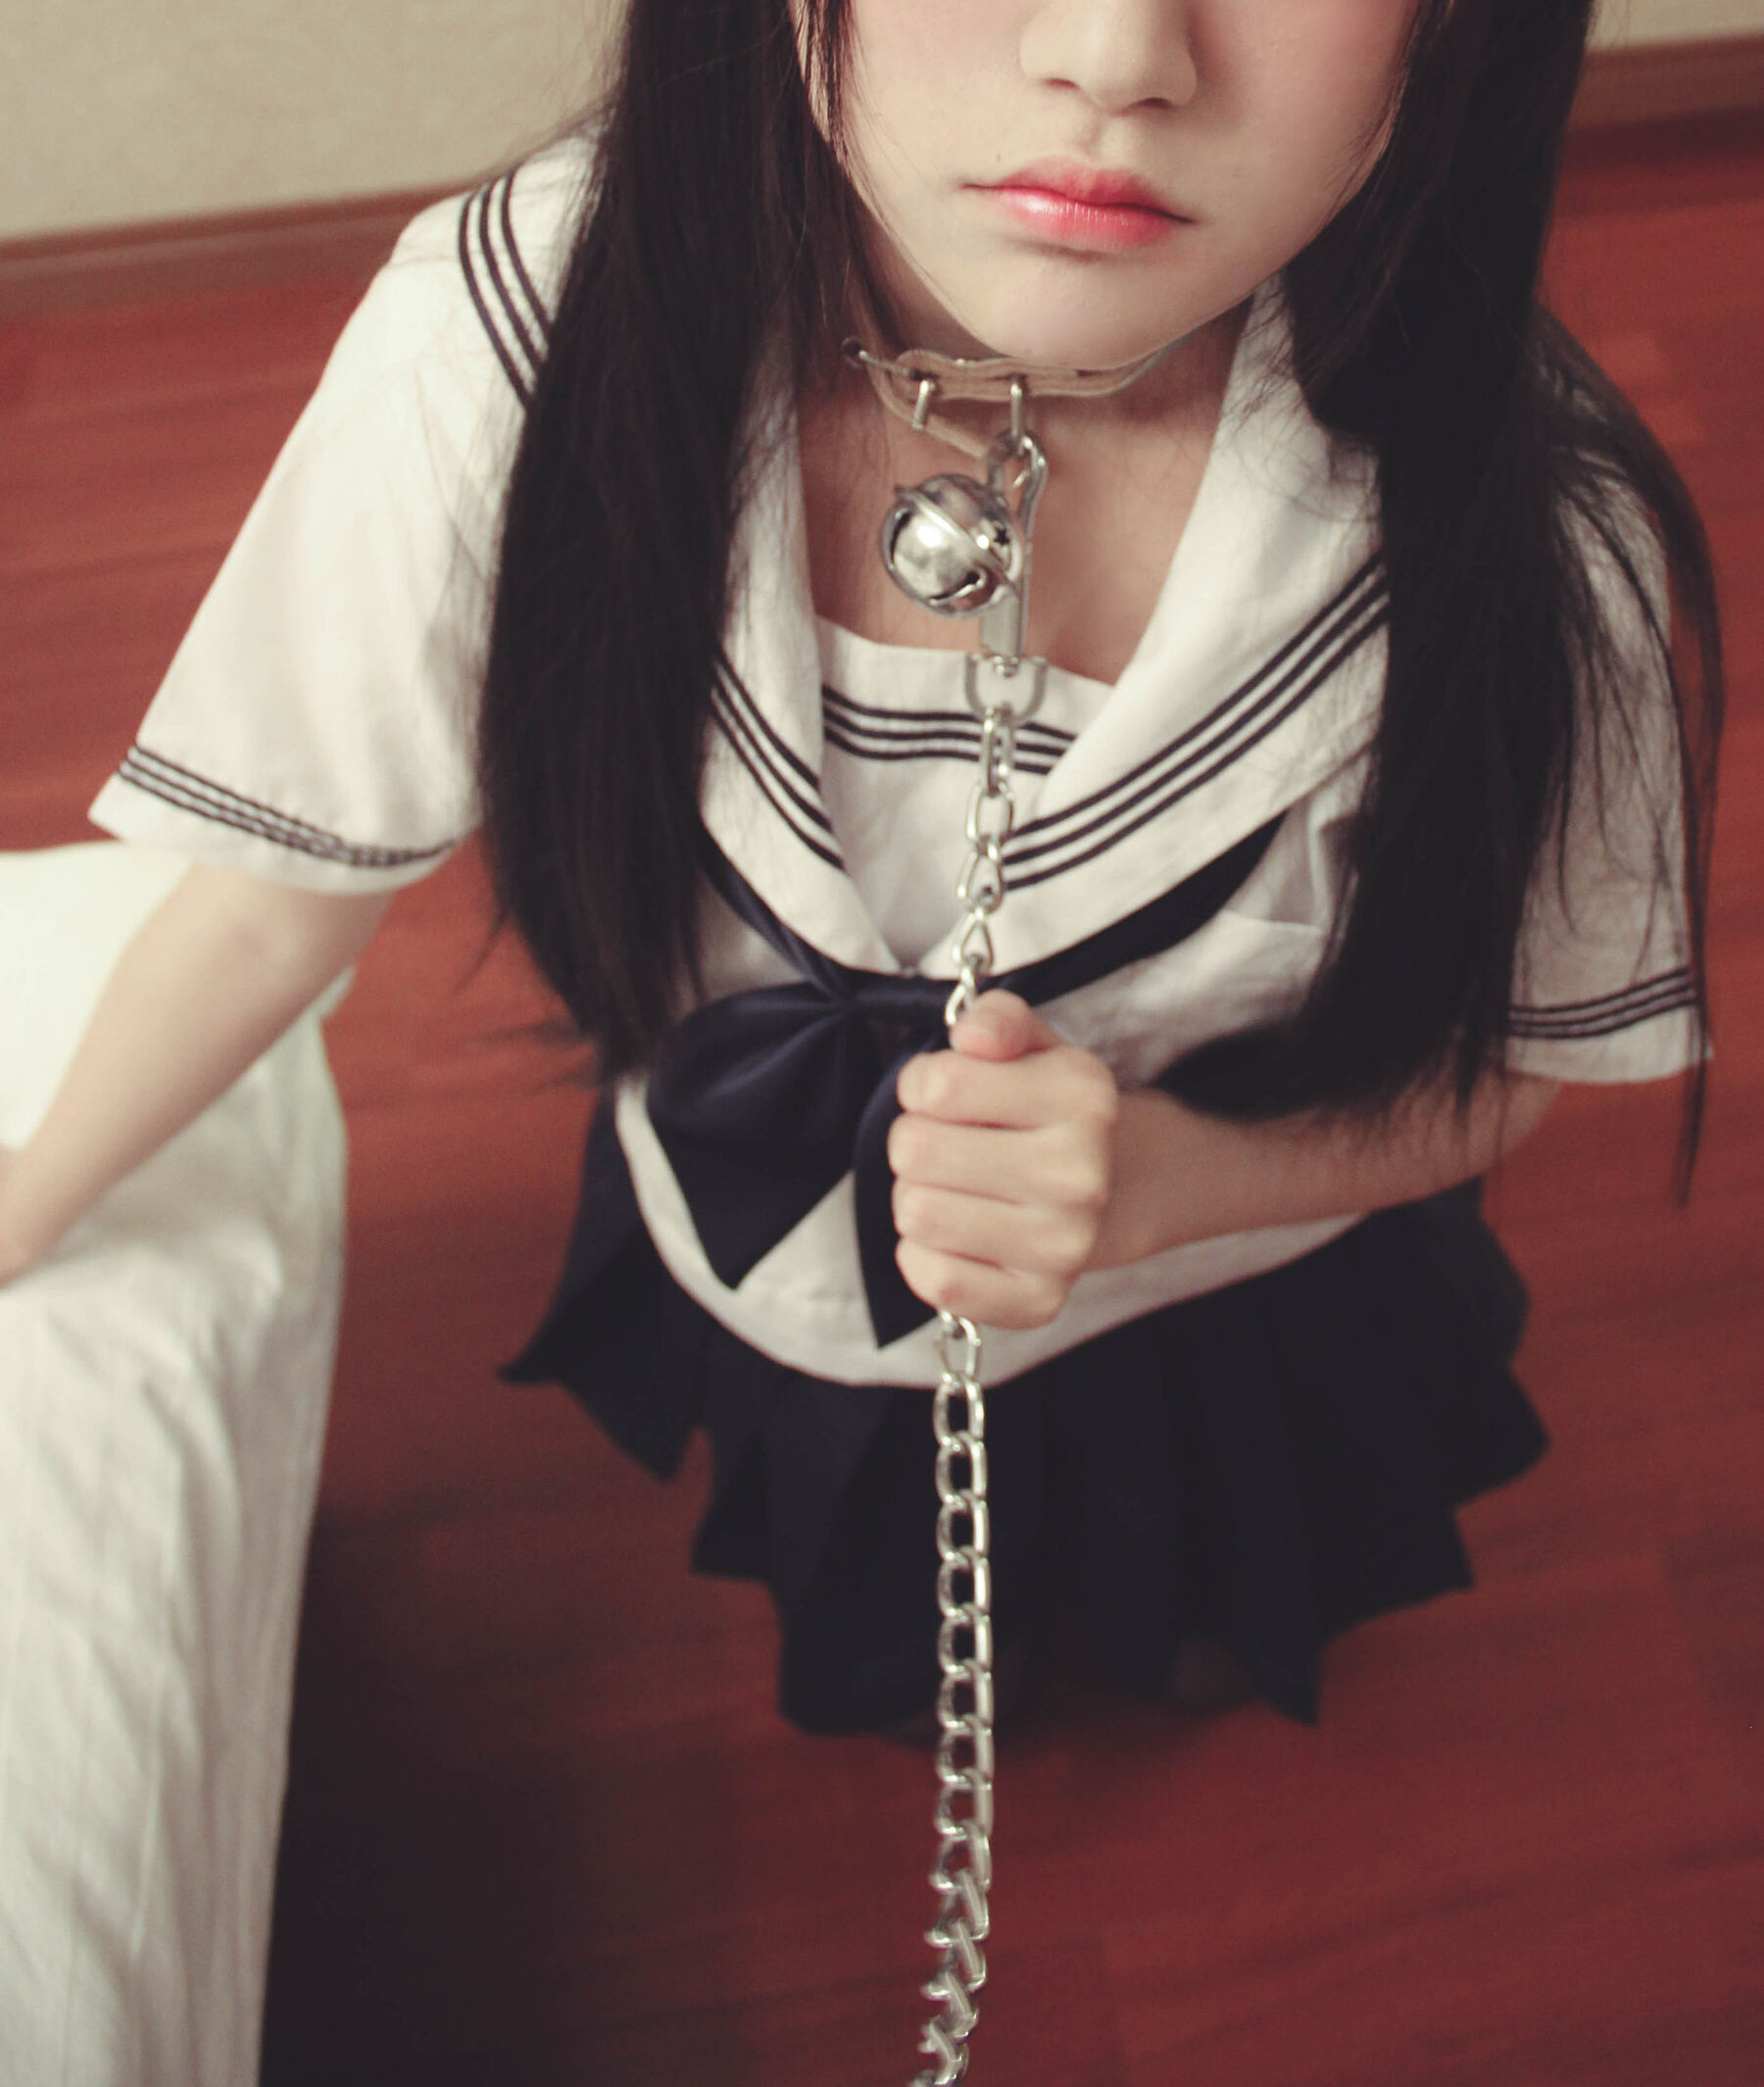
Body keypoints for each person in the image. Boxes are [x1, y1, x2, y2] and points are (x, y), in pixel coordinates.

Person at [0, 0, 1723, 1747]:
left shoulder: (1533, 541)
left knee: (1211, 1605)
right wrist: (34, 1190)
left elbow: (1505, 1053)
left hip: (1228, 1295)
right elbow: (263, 907)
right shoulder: (511, 340)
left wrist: (1173, 1181)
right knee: (904, 1641)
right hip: (782, 1262)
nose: (1117, 54)